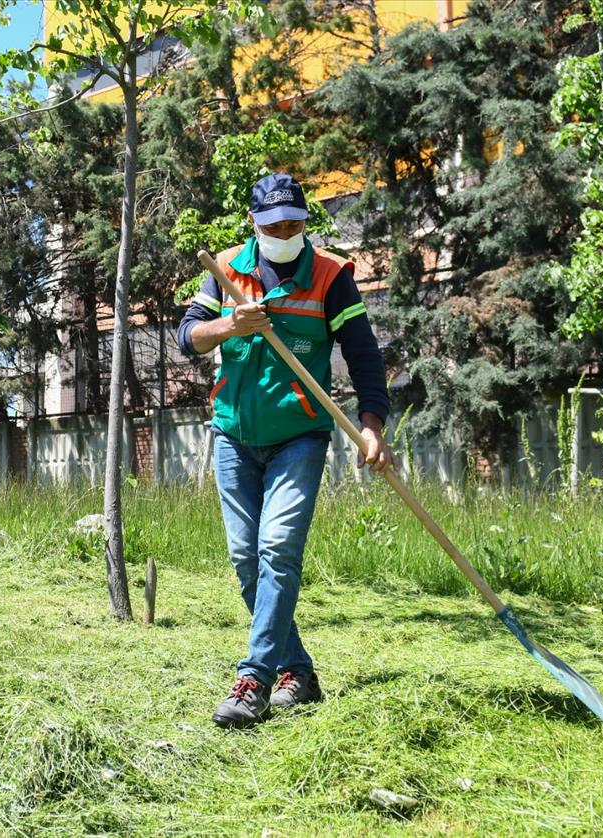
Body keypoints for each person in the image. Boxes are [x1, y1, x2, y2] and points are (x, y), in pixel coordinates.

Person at [177, 173, 395, 728]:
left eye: (295, 223)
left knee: (277, 548)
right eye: (273, 225)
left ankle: (253, 679)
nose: (284, 231)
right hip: (232, 434)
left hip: (300, 435)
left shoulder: (329, 276)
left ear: (305, 221)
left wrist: (372, 425)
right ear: (254, 224)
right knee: (246, 559)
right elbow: (186, 339)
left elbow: (364, 355)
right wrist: (231, 323)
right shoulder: (228, 271)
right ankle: (299, 668)